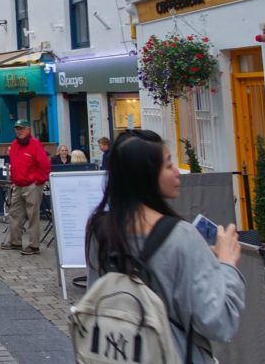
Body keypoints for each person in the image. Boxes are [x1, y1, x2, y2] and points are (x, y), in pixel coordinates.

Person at [86, 129, 244, 362]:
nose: (177, 172)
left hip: (119, 352)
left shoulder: (100, 229)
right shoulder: (182, 236)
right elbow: (218, 322)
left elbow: (96, 294)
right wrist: (227, 264)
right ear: (147, 175)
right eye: (168, 165)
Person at [2, 119, 51, 255]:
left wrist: (37, 181)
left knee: (33, 215)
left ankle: (33, 245)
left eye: (22, 128)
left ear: (28, 129)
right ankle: (15, 242)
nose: (19, 131)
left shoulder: (35, 144)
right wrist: (13, 180)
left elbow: (45, 166)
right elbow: (14, 165)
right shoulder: (14, 145)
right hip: (18, 185)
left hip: (31, 185)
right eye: (17, 129)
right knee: (14, 214)